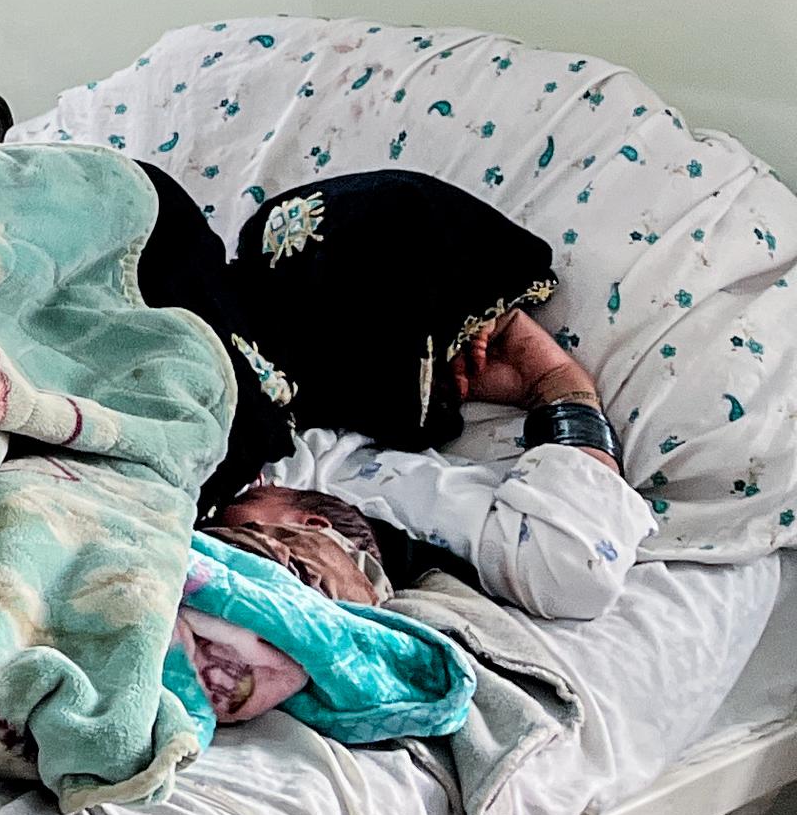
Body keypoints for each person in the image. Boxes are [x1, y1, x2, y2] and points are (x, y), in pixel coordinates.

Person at [187, 170, 652, 619]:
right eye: (456, 322)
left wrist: (556, 383)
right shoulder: (196, 300)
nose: (470, 355)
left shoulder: (332, 467)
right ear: (370, 302)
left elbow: (572, 565)